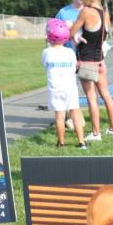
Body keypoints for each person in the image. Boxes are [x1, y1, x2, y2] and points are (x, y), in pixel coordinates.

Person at [69, 0, 113, 142]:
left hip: (87, 60)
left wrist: (74, 34)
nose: (80, 0)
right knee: (106, 95)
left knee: (91, 97)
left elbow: (71, 32)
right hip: (100, 60)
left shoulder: (86, 12)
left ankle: (96, 133)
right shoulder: (104, 13)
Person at [42, 19, 87, 148]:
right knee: (75, 114)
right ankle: (81, 141)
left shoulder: (47, 52)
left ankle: (61, 142)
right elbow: (74, 67)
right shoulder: (70, 52)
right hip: (70, 88)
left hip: (55, 89)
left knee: (59, 116)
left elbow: (45, 65)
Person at [54, 0, 83, 131]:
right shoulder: (63, 12)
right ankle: (69, 117)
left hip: (85, 54)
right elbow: (52, 33)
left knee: (86, 87)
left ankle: (79, 117)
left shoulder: (89, 10)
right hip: (66, 56)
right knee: (67, 87)